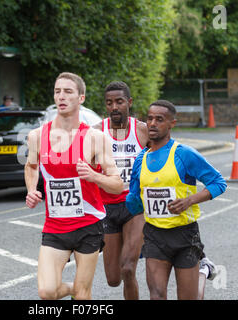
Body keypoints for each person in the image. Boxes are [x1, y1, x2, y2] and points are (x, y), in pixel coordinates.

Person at [24, 72, 124, 300]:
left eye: (68, 91)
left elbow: (117, 185)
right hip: (55, 225)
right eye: (58, 91)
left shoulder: (96, 139)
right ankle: (72, 288)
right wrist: (31, 189)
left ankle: (79, 291)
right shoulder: (37, 136)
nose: (62, 96)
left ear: (81, 98)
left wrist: (94, 176)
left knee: (82, 297)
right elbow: (30, 166)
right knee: (47, 291)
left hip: (88, 225)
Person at [126, 99, 226, 300]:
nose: (153, 123)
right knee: (156, 295)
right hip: (154, 235)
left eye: (159, 119)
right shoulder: (140, 159)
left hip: (184, 235)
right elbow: (134, 200)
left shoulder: (183, 154)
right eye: (150, 118)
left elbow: (218, 182)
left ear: (172, 123)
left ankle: (202, 270)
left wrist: (189, 201)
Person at [93, 81, 148, 300]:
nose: (114, 107)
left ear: (129, 102)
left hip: (134, 207)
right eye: (109, 103)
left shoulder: (142, 131)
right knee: (113, 279)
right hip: (106, 208)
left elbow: (165, 159)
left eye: (119, 102)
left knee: (128, 269)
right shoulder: (96, 132)